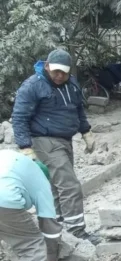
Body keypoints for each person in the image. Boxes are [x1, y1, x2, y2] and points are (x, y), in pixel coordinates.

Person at [12, 49, 99, 244]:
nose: (59, 76)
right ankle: (77, 231)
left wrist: (86, 132)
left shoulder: (72, 84)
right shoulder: (33, 86)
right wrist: (25, 147)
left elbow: (78, 109)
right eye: (56, 71)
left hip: (65, 140)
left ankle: (58, 231)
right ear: (47, 66)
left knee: (55, 187)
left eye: (64, 72)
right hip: (45, 140)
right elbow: (19, 117)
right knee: (70, 186)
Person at [0, 150, 62, 261]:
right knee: (31, 246)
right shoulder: (40, 179)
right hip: (3, 198)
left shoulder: (11, 159)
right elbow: (49, 225)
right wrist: (50, 258)